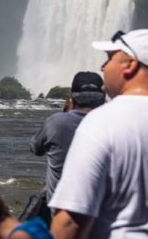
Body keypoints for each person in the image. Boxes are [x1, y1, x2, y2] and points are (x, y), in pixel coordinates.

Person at [49, 29, 148, 239]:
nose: (103, 68)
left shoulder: (103, 122)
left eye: (109, 58)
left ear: (130, 65)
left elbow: (71, 220)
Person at [28, 71, 106, 220]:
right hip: (101, 218)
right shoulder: (112, 124)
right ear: (103, 99)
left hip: (60, 218)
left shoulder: (56, 122)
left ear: (71, 98)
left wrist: (65, 113)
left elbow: (35, 148)